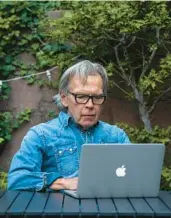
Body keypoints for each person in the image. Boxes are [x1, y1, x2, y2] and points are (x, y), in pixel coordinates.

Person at [8, 60, 130, 191]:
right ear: (64, 98)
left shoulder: (117, 136)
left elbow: (134, 177)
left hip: (109, 209)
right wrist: (63, 183)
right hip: (59, 210)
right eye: (81, 96)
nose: (90, 105)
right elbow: (17, 179)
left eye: (97, 97)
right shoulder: (41, 135)